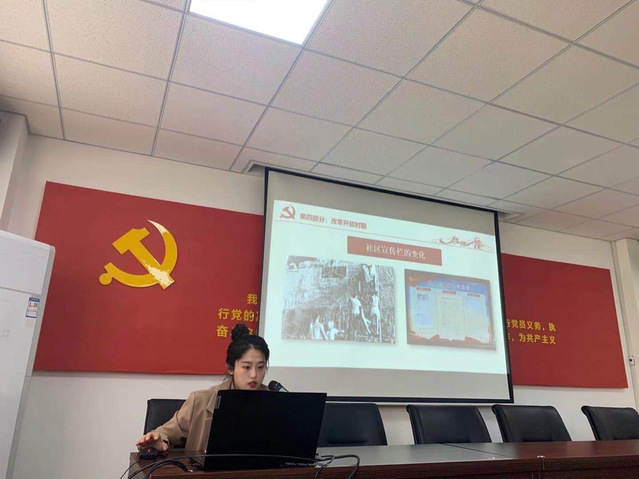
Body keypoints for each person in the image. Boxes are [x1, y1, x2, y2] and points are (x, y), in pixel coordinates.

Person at [135, 324, 269, 452]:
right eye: (246, 367)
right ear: (230, 368)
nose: (254, 375)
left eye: (260, 367)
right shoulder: (200, 401)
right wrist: (158, 441)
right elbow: (164, 433)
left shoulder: (274, 401)